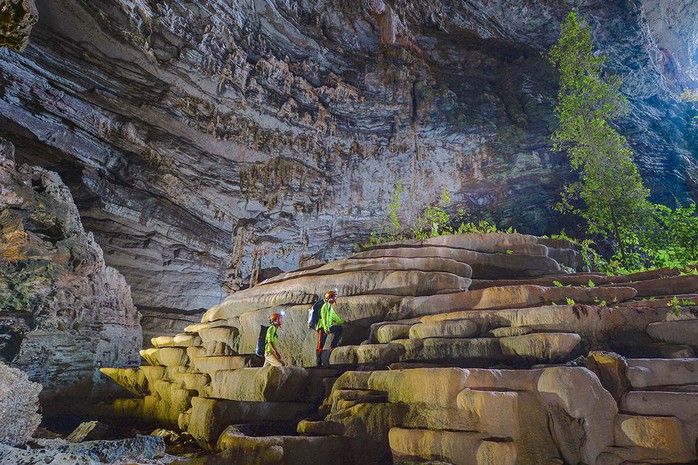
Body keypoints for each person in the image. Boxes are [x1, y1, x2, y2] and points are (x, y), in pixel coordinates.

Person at [314, 290, 344, 367]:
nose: (335, 299)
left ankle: (333, 345)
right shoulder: (325, 306)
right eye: (334, 297)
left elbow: (334, 316)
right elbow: (324, 317)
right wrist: (326, 328)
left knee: (339, 328)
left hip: (326, 327)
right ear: (330, 298)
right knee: (320, 345)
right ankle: (318, 363)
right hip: (322, 327)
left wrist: (341, 321)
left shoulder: (329, 306)